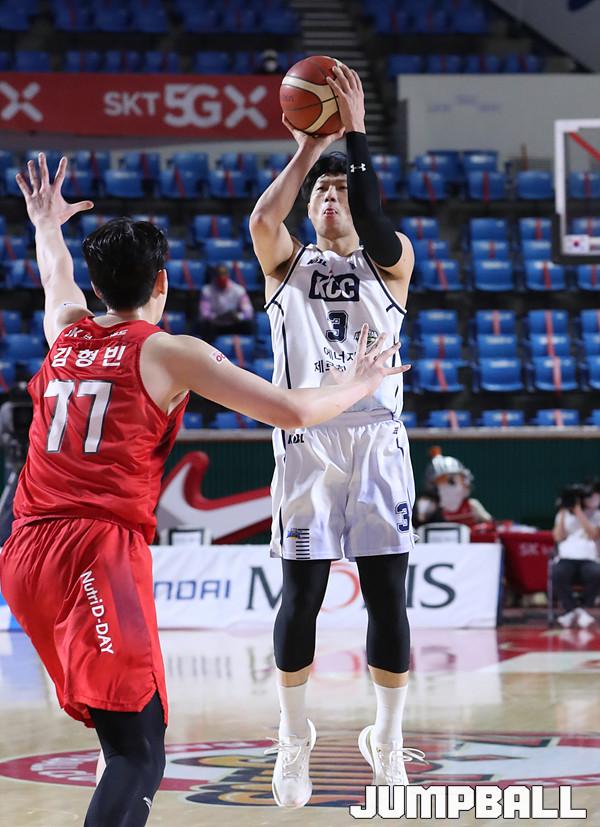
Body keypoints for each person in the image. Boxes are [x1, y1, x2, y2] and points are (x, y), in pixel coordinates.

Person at [0, 153, 407, 827]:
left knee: (121, 728)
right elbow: (292, 410)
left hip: (22, 553)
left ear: (97, 286)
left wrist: (45, 224)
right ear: (162, 282)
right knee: (139, 751)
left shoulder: (64, 333)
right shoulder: (168, 351)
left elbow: (54, 274)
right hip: (94, 550)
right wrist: (363, 381)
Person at [250, 63, 424, 808]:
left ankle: (386, 737)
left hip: (378, 441)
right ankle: (295, 737)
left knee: (388, 597)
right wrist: (308, 150)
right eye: (320, 192)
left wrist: (354, 138)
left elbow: (377, 220)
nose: (328, 197)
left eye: (340, 190)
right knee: (303, 596)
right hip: (308, 443)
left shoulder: (393, 260)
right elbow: (263, 221)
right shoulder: (287, 264)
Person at [552, 482, 600, 628]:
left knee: (596, 573)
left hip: (588, 558)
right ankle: (573, 609)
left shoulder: (596, 515)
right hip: (567, 557)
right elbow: (558, 536)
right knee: (558, 573)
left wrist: (578, 512)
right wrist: (562, 512)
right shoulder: (563, 514)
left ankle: (582, 608)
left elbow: (593, 534)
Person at [416, 446, 492, 528]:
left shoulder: (472, 505)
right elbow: (420, 524)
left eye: (454, 482)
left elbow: (490, 523)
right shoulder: (430, 506)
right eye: (449, 483)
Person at [198, 263, 254, 342]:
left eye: (224, 274)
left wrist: (238, 316)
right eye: (219, 274)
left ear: (228, 274)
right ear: (214, 276)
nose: (221, 277)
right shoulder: (207, 291)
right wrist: (216, 317)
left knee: (249, 324)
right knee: (205, 326)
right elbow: (204, 314)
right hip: (216, 324)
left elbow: (248, 312)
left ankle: (247, 346)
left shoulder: (239, 290)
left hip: (234, 323)